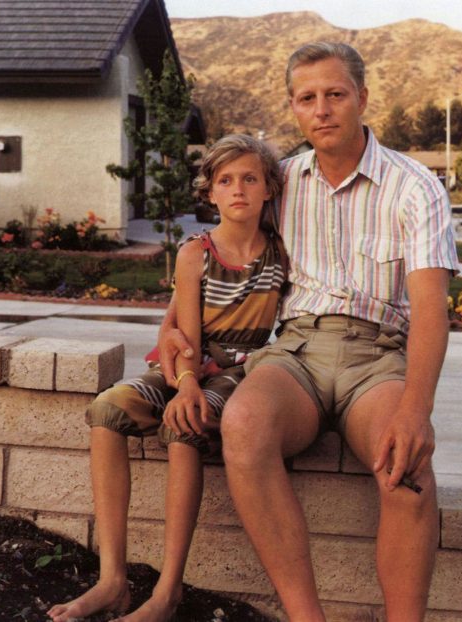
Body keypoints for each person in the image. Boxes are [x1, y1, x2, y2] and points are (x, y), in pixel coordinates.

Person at [159, 42, 459, 621]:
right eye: (307, 98)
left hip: (377, 356)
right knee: (243, 423)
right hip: (295, 349)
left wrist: (415, 410)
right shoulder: (280, 182)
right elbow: (212, 252)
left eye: (335, 94)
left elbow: (429, 310)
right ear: (294, 108)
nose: (321, 109)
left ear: (362, 99)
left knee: (407, 468)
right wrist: (171, 324)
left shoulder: (414, 187)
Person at [48, 134, 286, 622]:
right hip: (190, 366)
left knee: (184, 426)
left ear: (268, 189)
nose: (238, 189)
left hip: (243, 374)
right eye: (225, 180)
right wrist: (185, 381)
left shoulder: (280, 253)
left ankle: (166, 591)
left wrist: (192, 392)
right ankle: (112, 579)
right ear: (211, 193)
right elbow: (185, 335)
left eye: (249, 178)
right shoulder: (195, 252)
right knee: (108, 410)